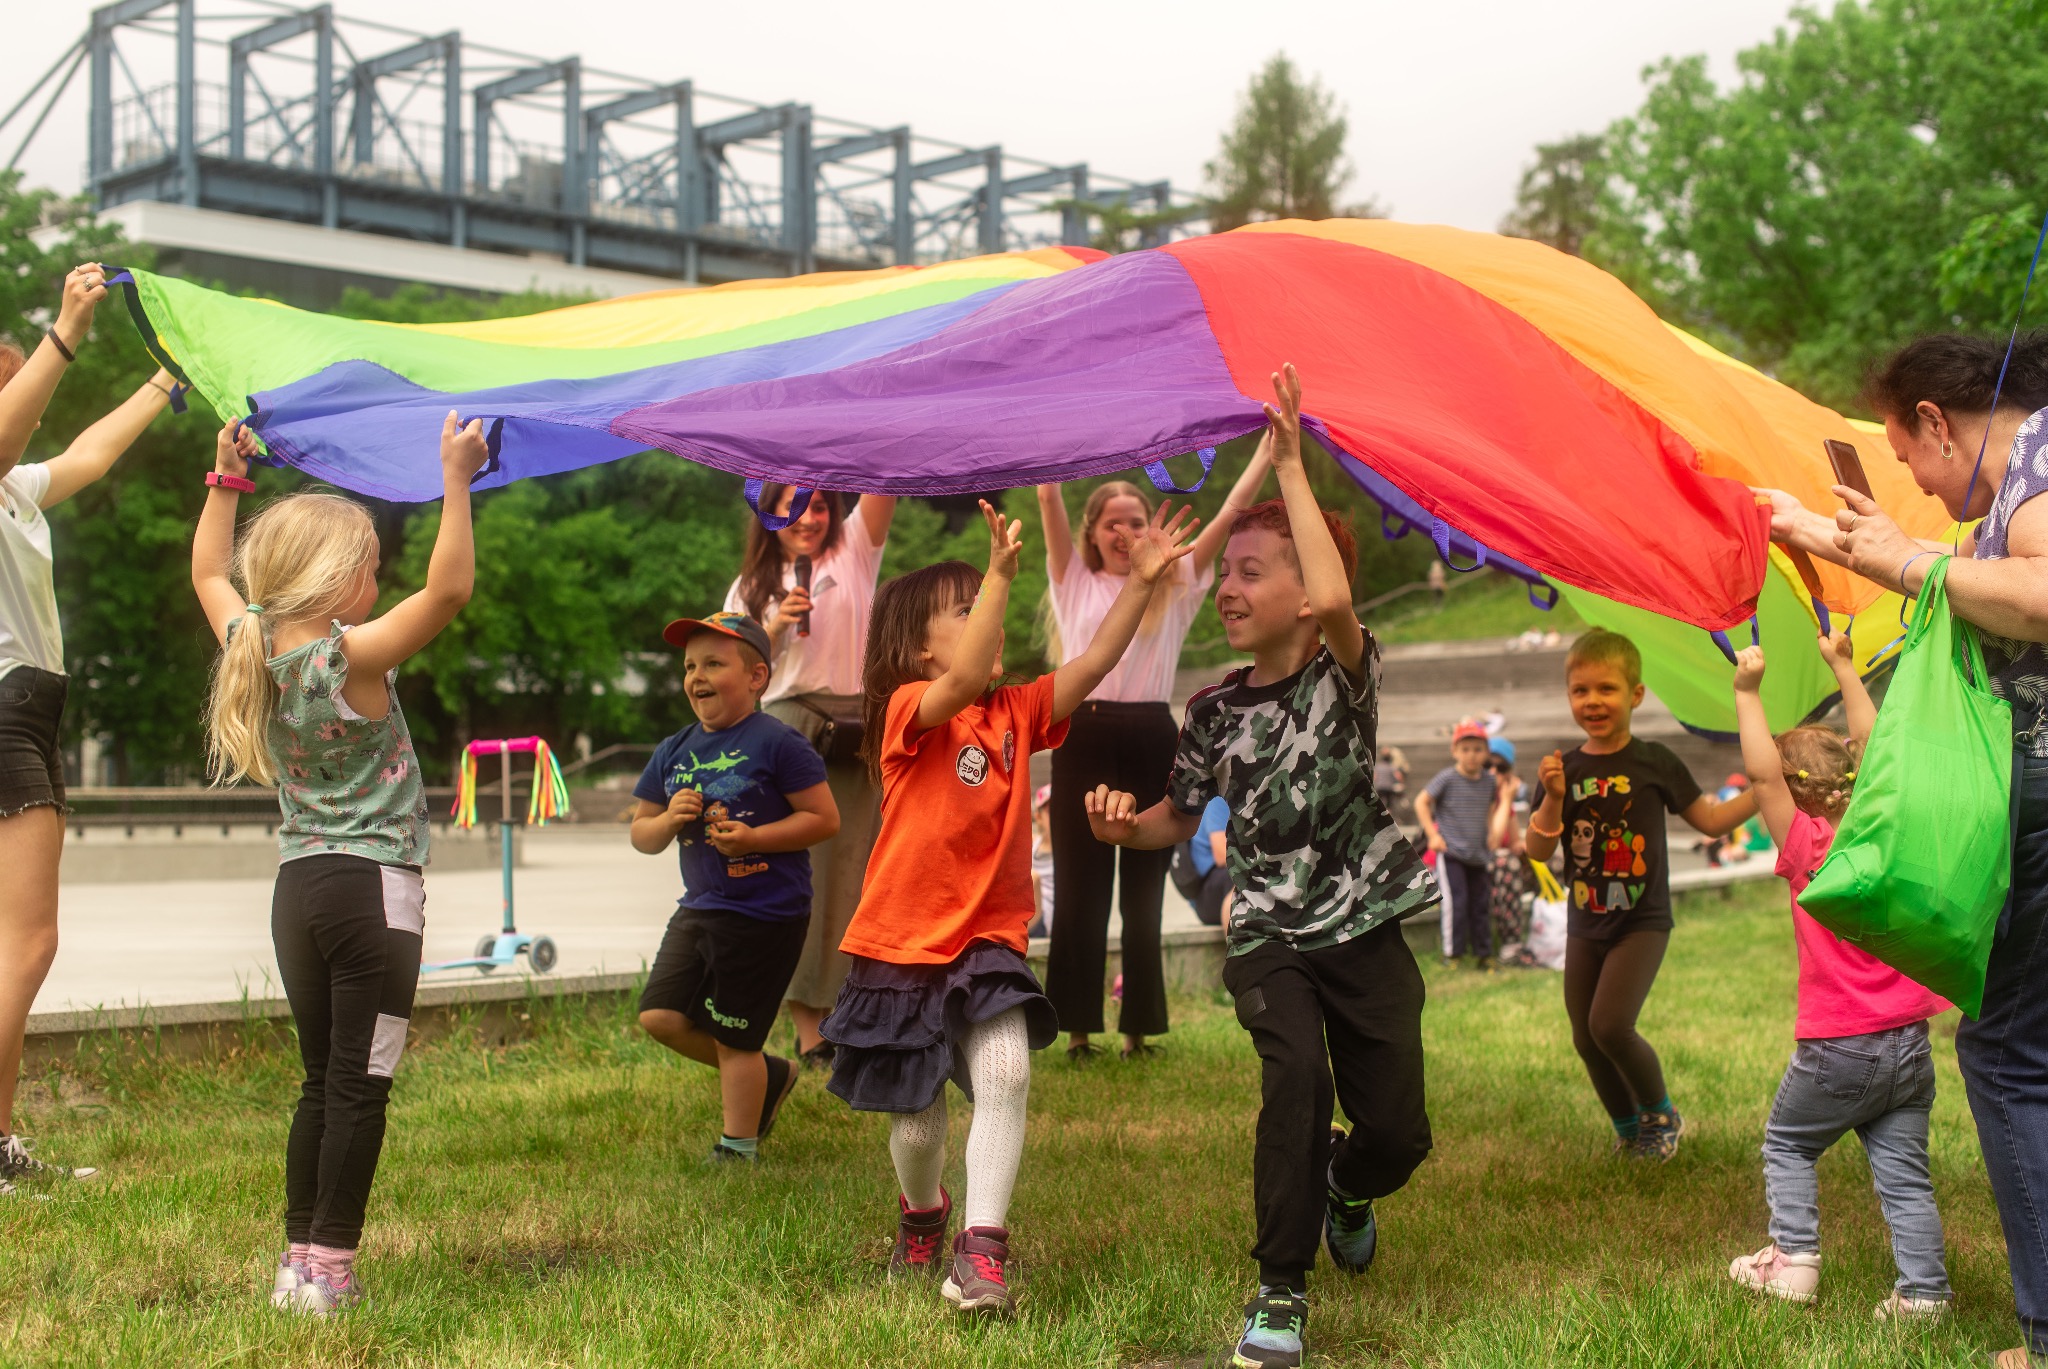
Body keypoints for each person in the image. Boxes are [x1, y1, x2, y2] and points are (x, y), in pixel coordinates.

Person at [1087, 366, 1436, 1369]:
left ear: (1300, 593)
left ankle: (1350, 1182)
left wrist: (1285, 463)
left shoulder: (1345, 670)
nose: (1225, 588)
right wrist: (1123, 828)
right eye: (1223, 571)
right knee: (1294, 1079)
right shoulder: (1210, 711)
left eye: (1249, 572)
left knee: (1397, 1129)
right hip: (1267, 928)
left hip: (1361, 919)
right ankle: (1278, 1290)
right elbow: (1175, 818)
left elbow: (1333, 589)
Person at [821, 497, 1196, 1318]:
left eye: (982, 605)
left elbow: (1094, 662)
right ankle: (924, 1214)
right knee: (917, 1128)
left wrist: (1138, 584)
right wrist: (996, 573)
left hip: (988, 939)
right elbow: (958, 678)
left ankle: (981, 1250)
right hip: (901, 943)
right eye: (964, 611)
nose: (984, 619)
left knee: (1006, 1069)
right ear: (920, 646)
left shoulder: (1018, 714)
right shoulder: (906, 714)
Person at [1754, 332, 2048, 1367]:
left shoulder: (2033, 463)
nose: (1916, 486)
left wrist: (1909, 557)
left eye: (1903, 453)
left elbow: (2043, 592)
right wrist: (1838, 541)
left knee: (2009, 1053)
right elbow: (1962, 579)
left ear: (1934, 420)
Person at [192, 410, 486, 1314]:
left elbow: (208, 568)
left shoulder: (251, 647)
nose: (377, 578)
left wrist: (223, 477)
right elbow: (447, 593)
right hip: (377, 896)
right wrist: (456, 479)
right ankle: (330, 1271)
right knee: (364, 1083)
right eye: (367, 564)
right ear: (334, 583)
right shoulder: (349, 657)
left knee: (324, 1077)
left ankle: (297, 1263)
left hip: (299, 892)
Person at [0, 262, 181, 1194]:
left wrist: (163, 378)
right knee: (27, 943)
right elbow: (18, 426)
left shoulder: (16, 493)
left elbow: (91, 452)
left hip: (28, 709)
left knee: (13, 943)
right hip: (5, 713)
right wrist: (65, 333)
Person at [1724, 634, 1953, 1318]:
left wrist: (1746, 692)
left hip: (1838, 1046)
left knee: (1788, 1143)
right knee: (1907, 1179)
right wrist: (1846, 667)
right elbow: (1876, 744)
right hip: (1910, 1043)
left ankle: (1793, 1260)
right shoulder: (1885, 830)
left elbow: (1763, 776)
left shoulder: (1805, 844)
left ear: (1796, 792)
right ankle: (1924, 1293)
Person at [1036, 444, 1272, 1061]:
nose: (1125, 532)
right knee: (1081, 890)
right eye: (1111, 521)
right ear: (1091, 533)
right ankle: (1078, 1032)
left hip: (1150, 738)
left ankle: (1138, 1031)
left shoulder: (1180, 584)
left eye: (1136, 521)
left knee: (1142, 897)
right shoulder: (1073, 579)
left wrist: (1271, 450)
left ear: (1155, 531)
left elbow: (1234, 509)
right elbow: (1046, 492)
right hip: (1080, 736)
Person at [1523, 629, 1755, 1161]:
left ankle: (1661, 1114)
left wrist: (1766, 789)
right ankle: (1630, 1131)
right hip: (1586, 922)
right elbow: (1537, 849)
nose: (1592, 701)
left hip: (1641, 922)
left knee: (1609, 1024)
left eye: (1606, 688)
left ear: (1635, 695)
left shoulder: (1655, 761)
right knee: (1585, 1037)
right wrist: (1554, 798)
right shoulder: (1564, 770)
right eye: (1580, 691)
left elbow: (1712, 821)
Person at [629, 611, 840, 1162]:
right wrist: (669, 820)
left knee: (735, 1036)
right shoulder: (672, 750)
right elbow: (641, 836)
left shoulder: (780, 743)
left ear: (756, 677)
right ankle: (770, 1074)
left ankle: (737, 1146)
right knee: (661, 1017)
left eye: (714, 664)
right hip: (699, 908)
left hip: (765, 914)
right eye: (690, 665)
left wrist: (755, 839)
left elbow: (823, 819)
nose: (697, 676)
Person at [725, 484, 897, 1070]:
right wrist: (770, 630)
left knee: (857, 875)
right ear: (767, 511)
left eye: (820, 505)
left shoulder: (854, 553)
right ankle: (810, 1033)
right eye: (794, 505)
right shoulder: (749, 587)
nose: (808, 517)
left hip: (855, 729)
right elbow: (724, 676)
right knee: (803, 881)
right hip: (788, 731)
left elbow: (882, 482)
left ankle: (859, 1020)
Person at [1415, 721, 1512, 967]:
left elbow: (1489, 808)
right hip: (1451, 854)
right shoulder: (1447, 778)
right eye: (1466, 748)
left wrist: (1491, 833)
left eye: (1478, 749)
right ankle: (1452, 954)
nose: (1472, 754)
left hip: (1479, 854)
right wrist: (1433, 836)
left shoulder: (1489, 782)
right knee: (1455, 903)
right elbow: (1421, 802)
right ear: (1455, 750)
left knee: (1481, 904)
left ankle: (1484, 954)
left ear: (1487, 752)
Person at [1486, 741, 1535, 960]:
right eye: (1488, 765)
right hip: (1468, 866)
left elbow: (1515, 842)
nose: (1493, 771)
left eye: (1501, 767)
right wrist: (1506, 800)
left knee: (1550, 858)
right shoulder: (1478, 797)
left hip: (1496, 870)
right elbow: (1493, 843)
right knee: (1505, 861)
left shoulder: (1503, 801)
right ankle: (1511, 945)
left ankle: (1551, 931)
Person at [1188, 794, 1234, 928]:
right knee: (1242, 877)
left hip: (1223, 883)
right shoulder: (1219, 800)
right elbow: (1221, 855)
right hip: (1206, 895)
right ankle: (1237, 947)